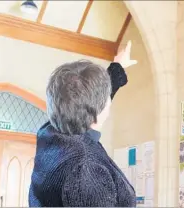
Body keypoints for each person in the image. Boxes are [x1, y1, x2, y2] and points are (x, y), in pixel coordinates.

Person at [29, 41, 138, 207]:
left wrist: (117, 68)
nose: (108, 99)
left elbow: (83, 100)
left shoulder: (50, 134)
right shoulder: (85, 170)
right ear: (97, 110)